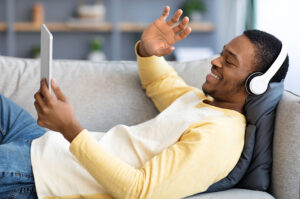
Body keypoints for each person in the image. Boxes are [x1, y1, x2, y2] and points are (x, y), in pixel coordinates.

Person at [0, 6, 289, 199]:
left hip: (39, 173)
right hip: (43, 144)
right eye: (221, 53)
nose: (215, 61)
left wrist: (71, 129)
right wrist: (147, 49)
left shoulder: (220, 137)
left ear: (256, 83)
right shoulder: (201, 103)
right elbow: (158, 83)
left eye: (228, 61)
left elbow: (139, 191)